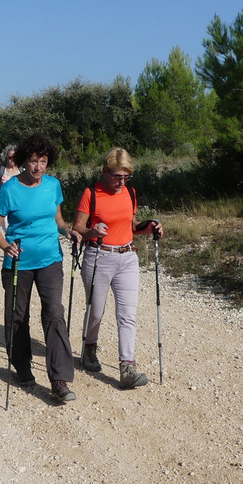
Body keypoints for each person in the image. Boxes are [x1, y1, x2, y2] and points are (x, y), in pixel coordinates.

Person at [0, 133, 82, 404]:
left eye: (43, 161)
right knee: (17, 317)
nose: (38, 167)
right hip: (18, 263)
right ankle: (22, 367)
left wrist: (69, 232)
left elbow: (59, 219)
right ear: (23, 161)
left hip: (50, 259)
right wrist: (6, 246)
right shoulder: (10, 189)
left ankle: (60, 379)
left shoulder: (53, 186)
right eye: (33, 161)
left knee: (54, 314)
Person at [72, 147, 163, 390]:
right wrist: (91, 232)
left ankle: (127, 367)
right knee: (96, 312)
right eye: (116, 176)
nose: (121, 182)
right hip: (98, 256)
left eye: (126, 177)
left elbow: (132, 226)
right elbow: (77, 227)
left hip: (127, 257)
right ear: (105, 171)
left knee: (127, 315)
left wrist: (151, 227)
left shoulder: (130, 193)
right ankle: (89, 348)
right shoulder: (91, 193)